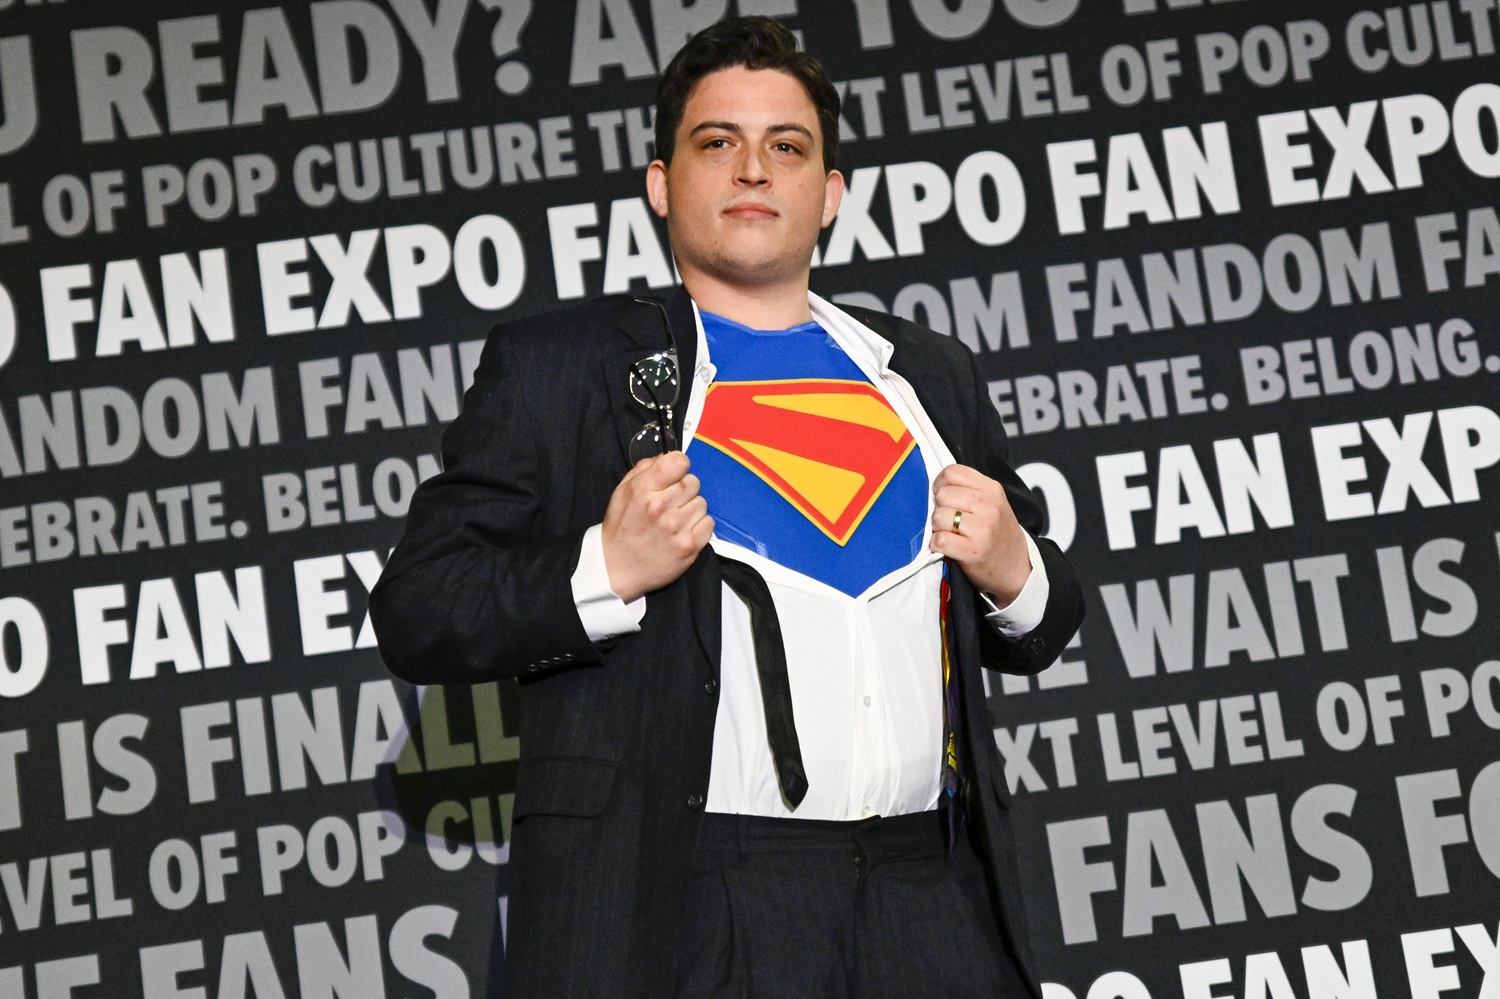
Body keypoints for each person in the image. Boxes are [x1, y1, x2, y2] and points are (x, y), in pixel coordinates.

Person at [371, 15, 1084, 999]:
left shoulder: (929, 373)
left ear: (829, 195)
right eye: (718, 142)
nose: (754, 168)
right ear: (662, 183)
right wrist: (605, 567)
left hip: (935, 894)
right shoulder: (561, 368)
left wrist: (1014, 568)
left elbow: (1045, 621)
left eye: (787, 147)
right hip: (699, 897)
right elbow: (421, 607)